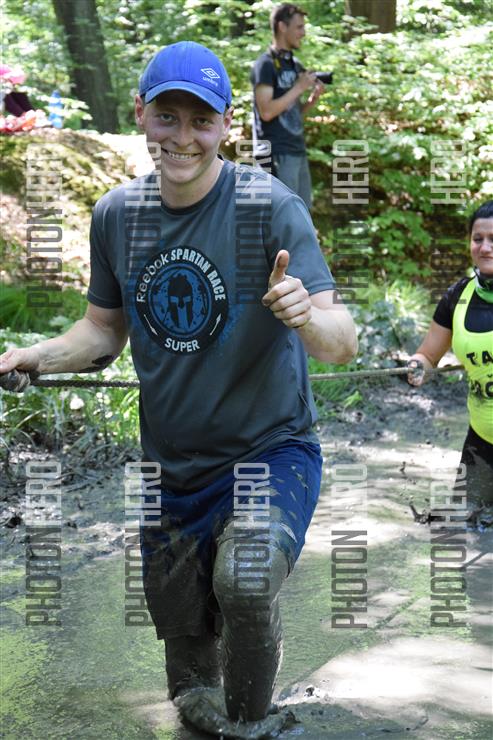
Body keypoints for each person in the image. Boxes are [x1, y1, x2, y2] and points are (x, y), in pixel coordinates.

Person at [0, 41, 357, 739]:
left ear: (225, 124)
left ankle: (255, 715)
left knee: (245, 581)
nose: (183, 137)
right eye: (168, 117)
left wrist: (305, 315)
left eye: (201, 120)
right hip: (170, 471)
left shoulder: (268, 206)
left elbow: (341, 341)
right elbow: (102, 332)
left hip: (267, 452)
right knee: (191, 692)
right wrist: (35, 356)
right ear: (141, 113)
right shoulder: (116, 215)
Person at [408, 200, 493, 524]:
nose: (484, 247)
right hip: (481, 445)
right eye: (477, 239)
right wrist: (418, 366)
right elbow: (429, 354)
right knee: (469, 528)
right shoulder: (457, 297)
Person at [250, 3, 324, 210]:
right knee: (282, 217)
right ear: (282, 27)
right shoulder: (265, 64)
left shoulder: (294, 64)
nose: (303, 33)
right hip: (275, 153)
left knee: (302, 216)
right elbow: (266, 112)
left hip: (296, 151)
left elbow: (292, 114)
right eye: (299, 27)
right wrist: (299, 87)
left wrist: (311, 100)